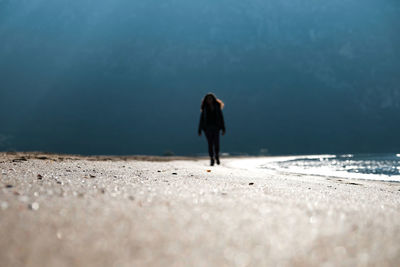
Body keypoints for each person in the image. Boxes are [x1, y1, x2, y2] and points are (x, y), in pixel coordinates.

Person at [198, 93, 226, 166]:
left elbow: (221, 118)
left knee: (216, 143)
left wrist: (223, 128)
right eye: (208, 99)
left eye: (210, 99)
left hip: (216, 127)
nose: (209, 100)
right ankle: (211, 158)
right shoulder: (204, 108)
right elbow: (201, 119)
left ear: (213, 99)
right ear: (206, 100)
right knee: (210, 143)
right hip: (207, 128)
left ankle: (216, 156)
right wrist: (199, 130)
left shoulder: (217, 107)